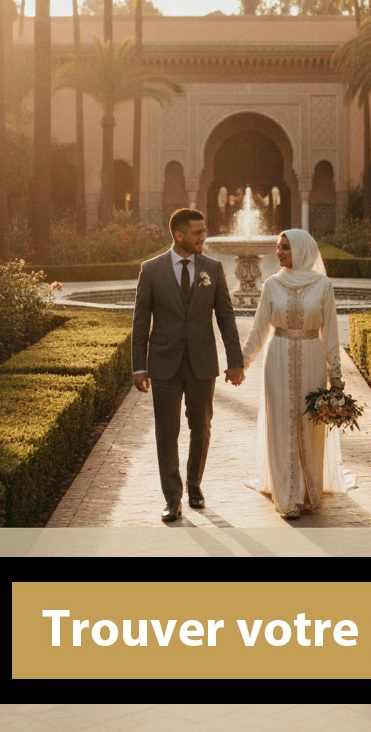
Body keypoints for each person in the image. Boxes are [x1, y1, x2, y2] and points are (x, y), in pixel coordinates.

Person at [132, 208, 245, 523]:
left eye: (204, 231)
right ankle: (172, 497)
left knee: (201, 427)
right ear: (179, 235)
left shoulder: (213, 268)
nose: (203, 237)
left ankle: (194, 484)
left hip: (202, 363)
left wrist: (235, 362)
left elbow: (225, 317)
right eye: (197, 233)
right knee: (166, 432)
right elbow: (140, 322)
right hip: (163, 364)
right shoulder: (151, 270)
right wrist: (138, 367)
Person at [241, 228, 354, 518]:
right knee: (280, 423)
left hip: (311, 356)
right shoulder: (271, 285)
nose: (279, 252)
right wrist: (242, 363)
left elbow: (330, 333)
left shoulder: (322, 285)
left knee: (309, 423)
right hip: (277, 357)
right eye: (278, 247)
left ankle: (306, 492)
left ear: (302, 250)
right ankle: (286, 496)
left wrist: (336, 376)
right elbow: (258, 330)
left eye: (286, 248)